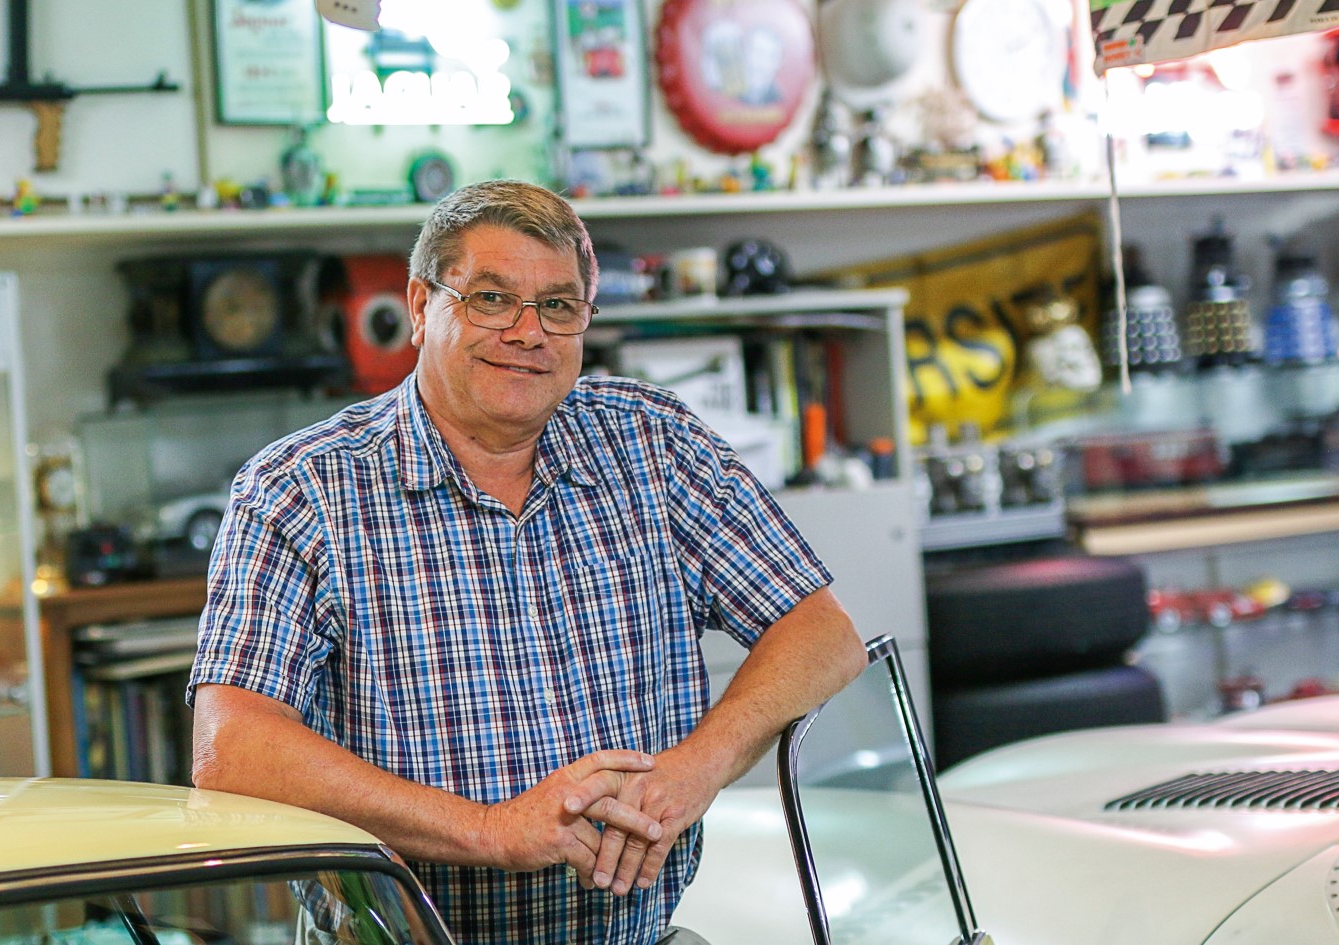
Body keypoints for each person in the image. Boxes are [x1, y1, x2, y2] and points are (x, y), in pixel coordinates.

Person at [188, 179, 865, 944]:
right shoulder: (302, 488)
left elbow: (821, 632)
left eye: (558, 305)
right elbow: (232, 750)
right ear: (419, 305)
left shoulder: (652, 444)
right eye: (490, 298)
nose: (527, 331)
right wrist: (491, 831)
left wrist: (691, 773)